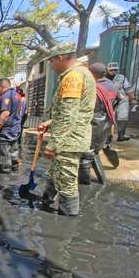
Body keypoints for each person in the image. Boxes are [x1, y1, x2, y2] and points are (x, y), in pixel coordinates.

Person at [38, 44, 95, 216]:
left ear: (61, 57)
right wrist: (51, 122)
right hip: (70, 138)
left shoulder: (74, 77)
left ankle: (67, 224)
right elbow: (69, 111)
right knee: (54, 174)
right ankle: (45, 203)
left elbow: (69, 115)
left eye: (52, 60)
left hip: (69, 141)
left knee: (67, 182)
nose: (51, 65)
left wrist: (52, 144)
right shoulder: (80, 74)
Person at [78, 62, 119, 185]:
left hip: (95, 124)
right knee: (94, 152)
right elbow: (122, 98)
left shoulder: (94, 88)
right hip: (106, 123)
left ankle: (83, 185)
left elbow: (88, 108)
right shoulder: (113, 86)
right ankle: (102, 181)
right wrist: (111, 108)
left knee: (85, 155)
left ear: (92, 73)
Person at [0, 78, 23, 173]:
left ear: (2, 87)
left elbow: (5, 113)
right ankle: (14, 181)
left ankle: (4, 185)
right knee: (14, 156)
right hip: (15, 130)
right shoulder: (17, 95)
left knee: (4, 160)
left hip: (6, 132)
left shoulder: (6, 96)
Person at [106, 62, 135, 141]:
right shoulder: (103, 78)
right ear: (107, 70)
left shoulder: (121, 77)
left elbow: (128, 89)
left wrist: (132, 99)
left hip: (121, 99)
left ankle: (121, 135)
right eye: (111, 70)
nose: (113, 71)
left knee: (123, 115)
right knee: (107, 117)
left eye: (115, 70)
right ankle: (107, 136)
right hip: (108, 100)